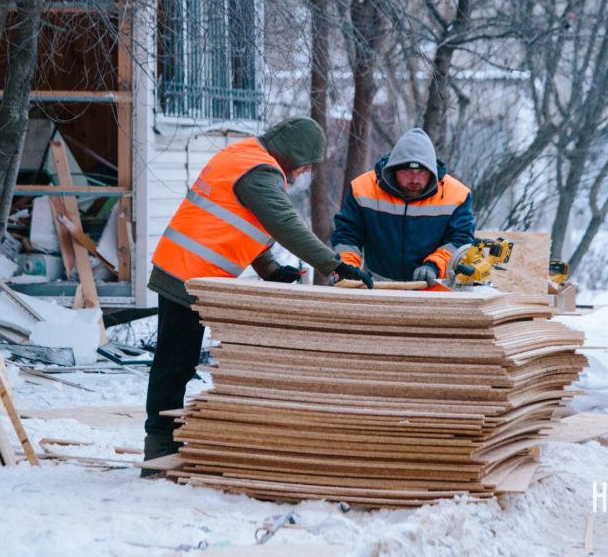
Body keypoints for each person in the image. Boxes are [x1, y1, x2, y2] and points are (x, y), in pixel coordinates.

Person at [142, 116, 372, 472]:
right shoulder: (260, 171)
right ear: (293, 155)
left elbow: (242, 221)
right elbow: (283, 223)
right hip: (186, 274)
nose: (304, 172)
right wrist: (335, 265)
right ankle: (158, 454)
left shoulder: (244, 156)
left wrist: (270, 270)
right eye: (305, 164)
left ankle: (167, 447)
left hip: (188, 271)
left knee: (178, 365)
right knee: (173, 366)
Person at [331, 127, 475, 287]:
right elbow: (347, 235)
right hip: (377, 286)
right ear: (394, 169)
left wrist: (434, 265)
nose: (415, 179)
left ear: (432, 171)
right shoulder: (362, 188)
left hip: (432, 287)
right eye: (407, 171)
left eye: (422, 172)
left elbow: (460, 240)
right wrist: (348, 267)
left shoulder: (457, 195)